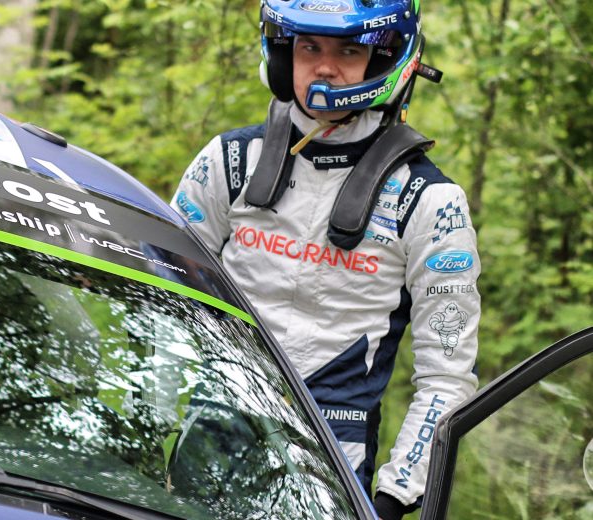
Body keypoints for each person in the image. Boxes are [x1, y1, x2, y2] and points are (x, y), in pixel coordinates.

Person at [170, 1, 479, 518]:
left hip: (330, 458)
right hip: (212, 428)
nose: (325, 68)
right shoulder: (228, 161)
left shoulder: (432, 202)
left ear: (385, 58)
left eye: (349, 51)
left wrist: (394, 496)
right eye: (309, 47)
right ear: (282, 53)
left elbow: (448, 376)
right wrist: (146, 420)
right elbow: (167, 296)